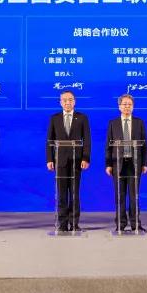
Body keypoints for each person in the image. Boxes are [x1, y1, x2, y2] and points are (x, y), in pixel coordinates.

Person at [46, 89, 91, 232]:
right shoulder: (55, 118)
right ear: (60, 102)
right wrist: (49, 159)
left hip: (76, 160)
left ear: (74, 102)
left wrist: (85, 158)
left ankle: (74, 223)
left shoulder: (82, 118)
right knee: (61, 193)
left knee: (74, 193)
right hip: (60, 161)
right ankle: (62, 223)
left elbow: (87, 140)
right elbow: (49, 140)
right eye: (64, 100)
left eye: (70, 100)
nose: (67, 102)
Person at [105, 93, 147, 233]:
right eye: (124, 104)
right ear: (119, 106)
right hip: (118, 163)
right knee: (120, 195)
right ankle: (121, 224)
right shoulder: (113, 123)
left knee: (134, 195)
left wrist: (145, 163)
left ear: (133, 107)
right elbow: (108, 145)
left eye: (129, 104)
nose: (127, 107)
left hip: (135, 163)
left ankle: (136, 224)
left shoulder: (139, 123)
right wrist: (108, 164)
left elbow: (144, 145)